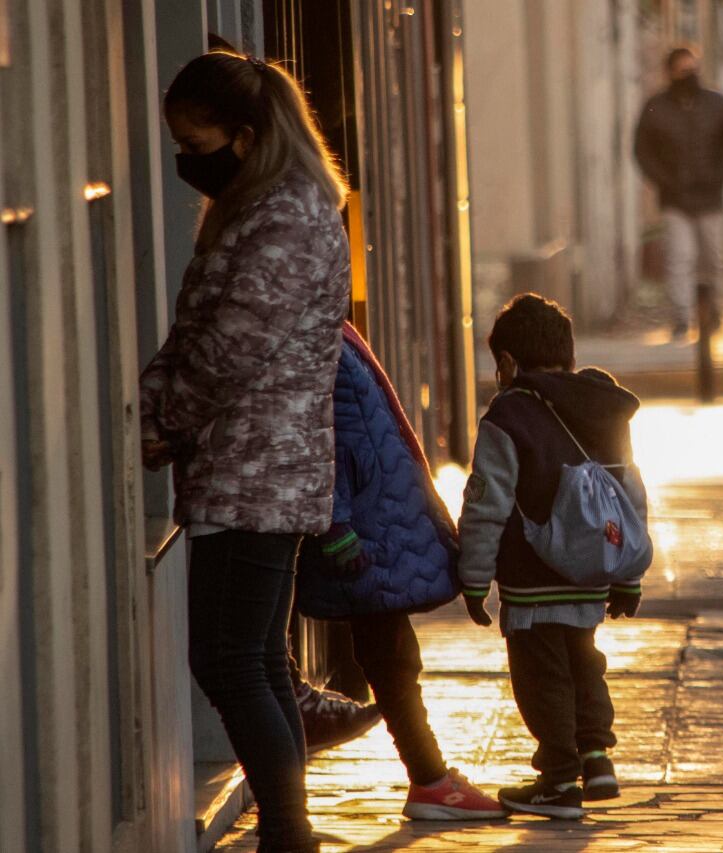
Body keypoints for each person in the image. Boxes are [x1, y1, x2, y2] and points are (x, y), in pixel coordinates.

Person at [140, 51, 351, 853]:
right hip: (251, 469)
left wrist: (164, 418)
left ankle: (290, 835)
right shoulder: (257, 204)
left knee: (231, 661)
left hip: (256, 473)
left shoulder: (284, 215)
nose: (188, 161)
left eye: (197, 143)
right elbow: (196, 330)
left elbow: (231, 346)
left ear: (246, 133)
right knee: (255, 660)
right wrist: (160, 396)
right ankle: (287, 834)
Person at [292, 321, 506, 820]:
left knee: (394, 656)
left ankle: (430, 776)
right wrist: (337, 522)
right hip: (364, 531)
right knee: (391, 657)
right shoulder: (315, 336)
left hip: (372, 524)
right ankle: (430, 778)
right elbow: (320, 439)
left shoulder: (331, 332)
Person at [458, 294, 648, 819]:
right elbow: (629, 496)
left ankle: (560, 782)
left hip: (532, 580)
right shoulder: (602, 406)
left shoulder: (508, 414)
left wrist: (474, 579)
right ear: (567, 355)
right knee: (585, 662)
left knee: (541, 676)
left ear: (507, 363)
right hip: (592, 574)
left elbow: (485, 503)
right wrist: (628, 575)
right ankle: (596, 758)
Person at [634, 46, 723, 339]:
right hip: (675, 198)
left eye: (693, 69)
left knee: (713, 256)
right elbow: (642, 150)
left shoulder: (716, 104)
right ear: (670, 73)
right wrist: (664, 179)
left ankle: (713, 311)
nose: (689, 75)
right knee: (679, 257)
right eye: (683, 70)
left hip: (710, 196)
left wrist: (722, 173)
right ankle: (681, 317)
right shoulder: (656, 108)